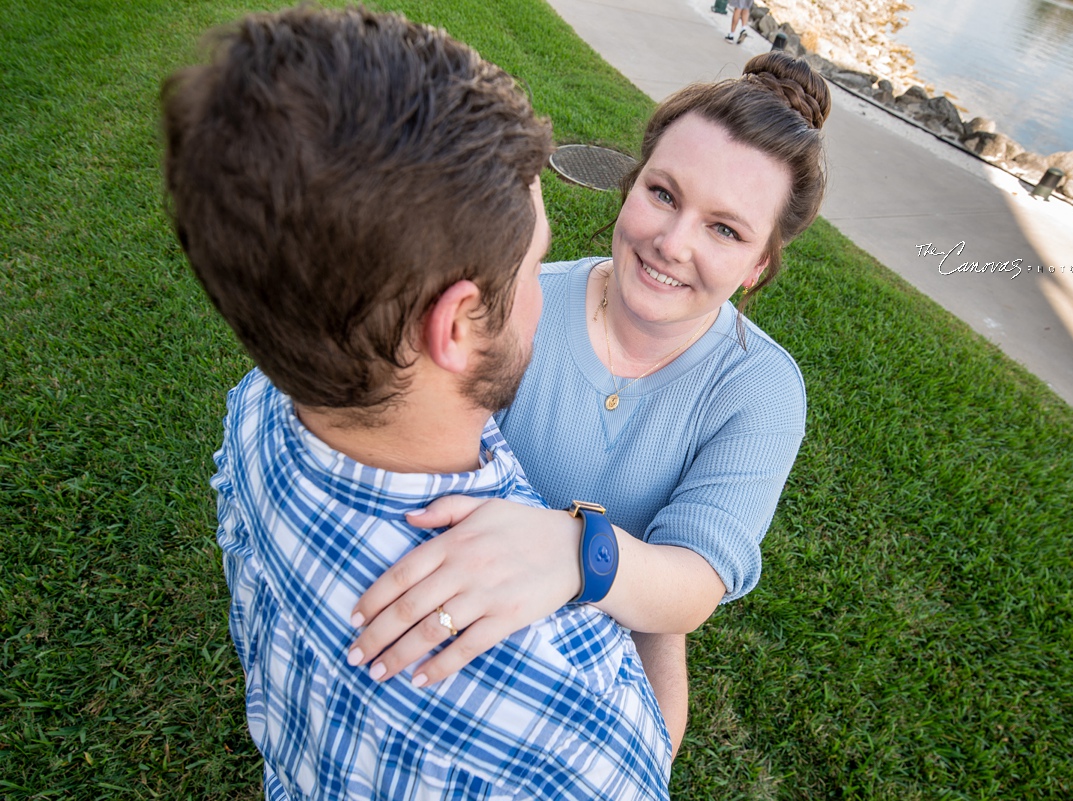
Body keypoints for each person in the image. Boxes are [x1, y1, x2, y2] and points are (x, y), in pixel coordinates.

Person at [162, 6, 671, 798]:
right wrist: (641, 594)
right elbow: (647, 758)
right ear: (458, 324)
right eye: (535, 268)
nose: (544, 290)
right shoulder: (571, 717)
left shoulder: (262, 408)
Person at [347, 51, 832, 757]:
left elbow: (692, 581)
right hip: (465, 589)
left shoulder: (760, 389)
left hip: (615, 630)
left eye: (725, 230)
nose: (672, 243)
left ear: (759, 264)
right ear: (632, 184)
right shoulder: (523, 301)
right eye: (663, 194)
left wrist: (579, 554)